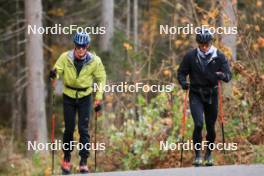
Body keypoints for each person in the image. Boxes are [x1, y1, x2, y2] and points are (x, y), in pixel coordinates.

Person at [49, 32, 106, 174]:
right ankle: (67, 159)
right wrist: (53, 75)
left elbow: (101, 79)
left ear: (87, 46)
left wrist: (98, 98)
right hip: (68, 95)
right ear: (74, 45)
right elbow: (57, 72)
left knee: (83, 129)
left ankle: (83, 162)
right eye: (78, 46)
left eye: (83, 46)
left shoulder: (95, 61)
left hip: (85, 96)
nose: (80, 49)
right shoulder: (65, 57)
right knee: (69, 128)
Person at [177, 28, 231, 166]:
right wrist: (183, 83)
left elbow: (228, 76)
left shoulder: (219, 56)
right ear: (198, 44)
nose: (204, 48)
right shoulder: (190, 56)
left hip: (212, 94)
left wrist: (222, 76)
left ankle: (208, 154)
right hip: (195, 94)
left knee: (211, 127)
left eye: (207, 44)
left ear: (210, 42)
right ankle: (197, 155)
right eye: (201, 45)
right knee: (199, 124)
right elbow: (181, 73)